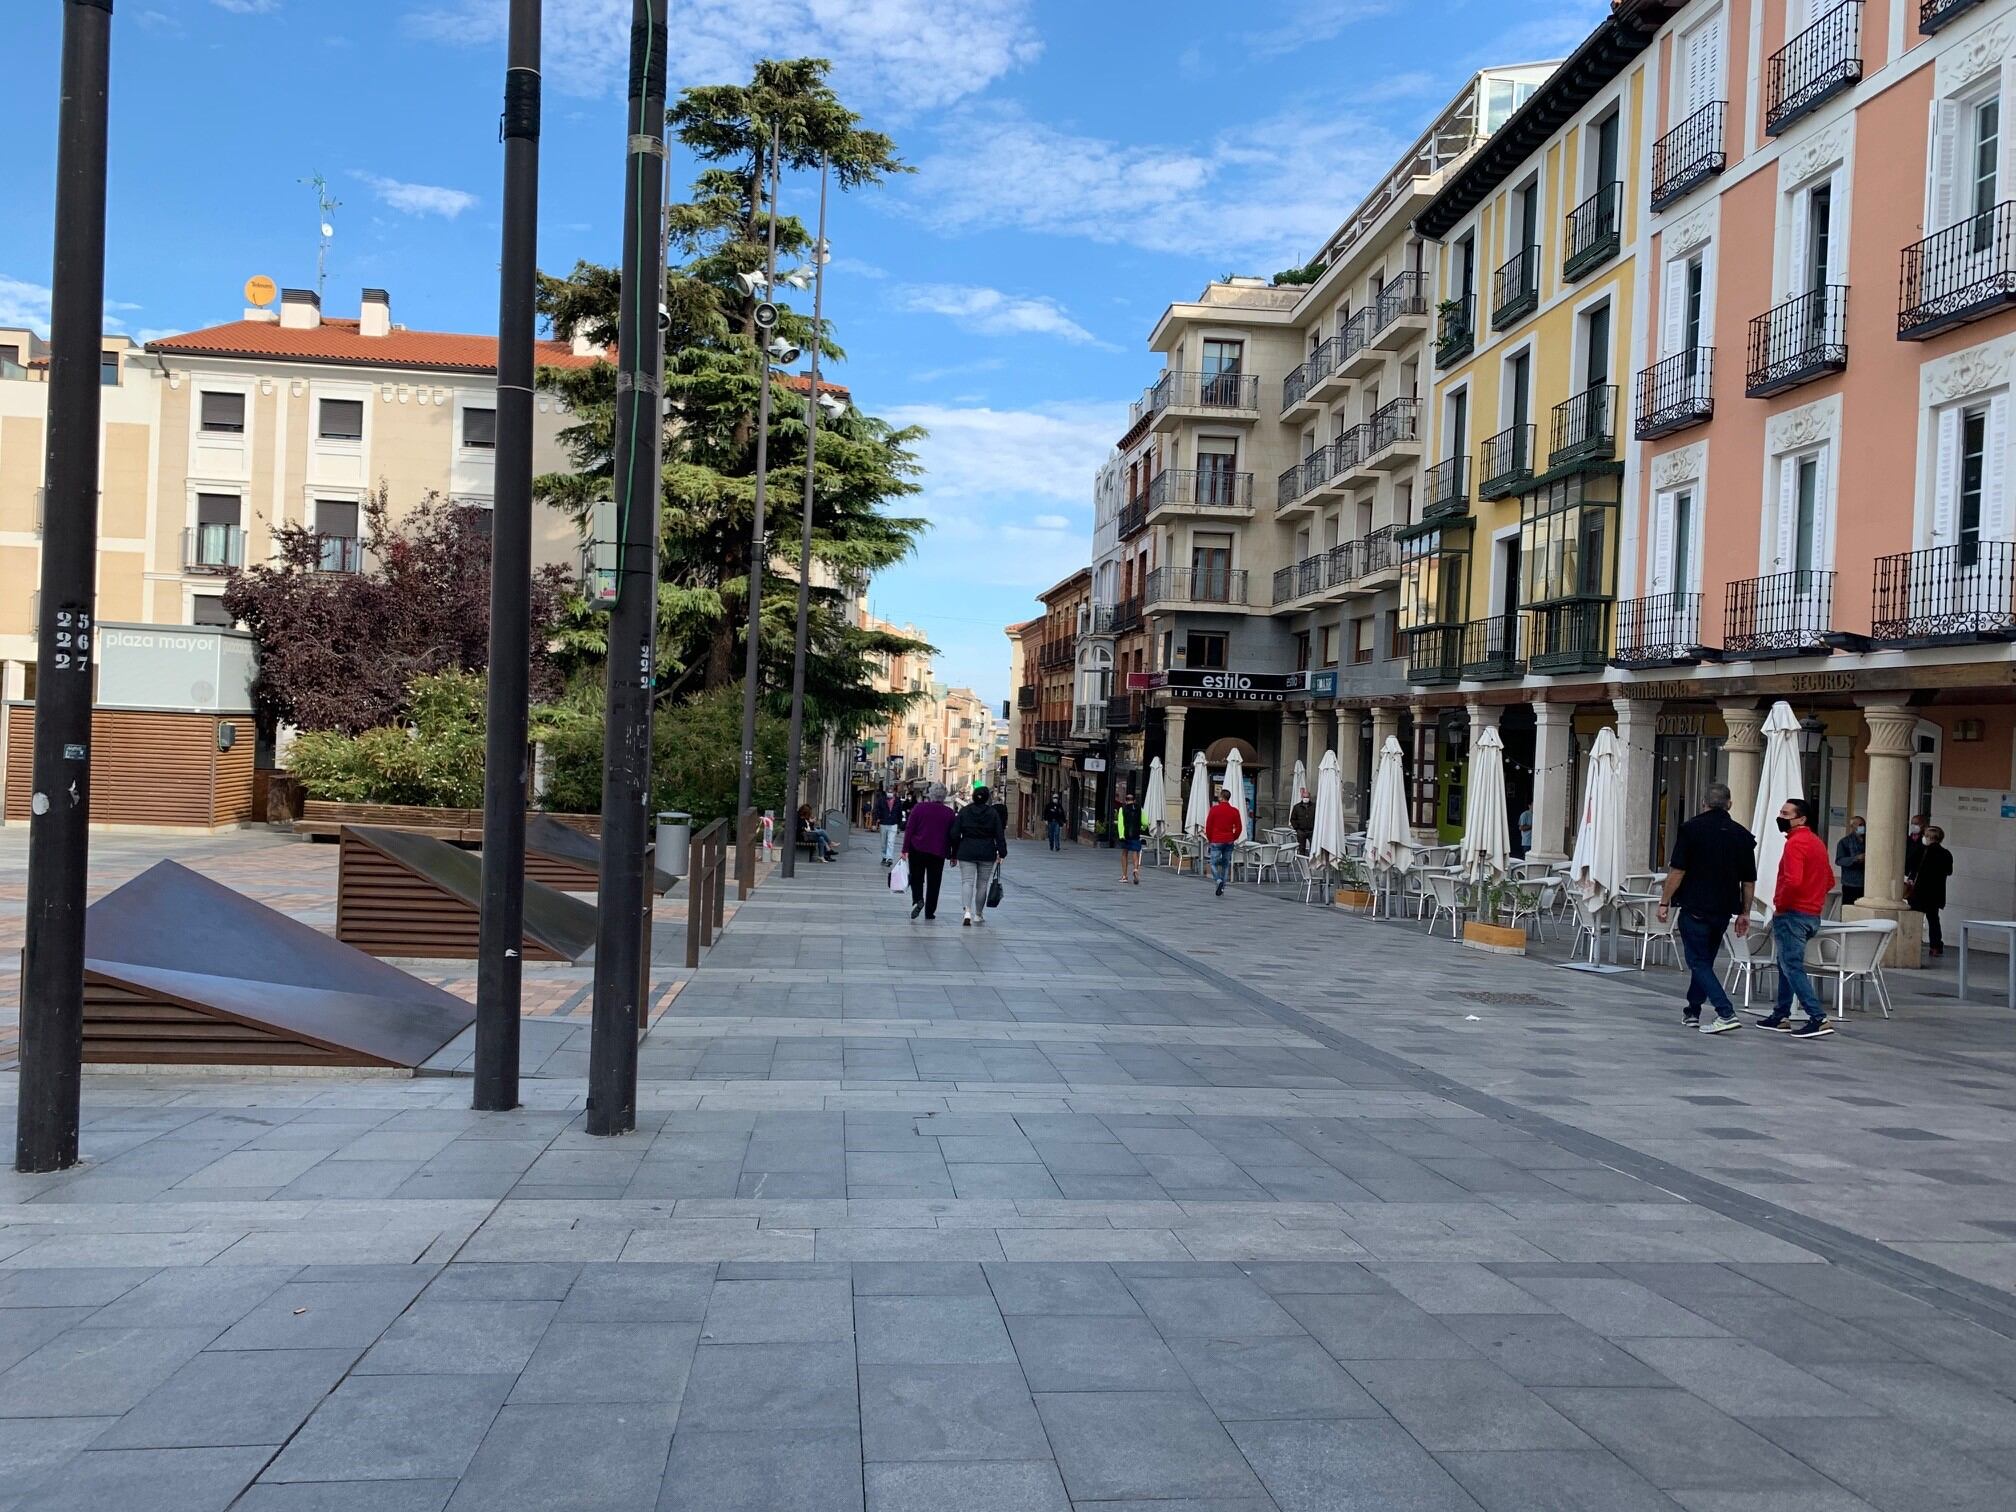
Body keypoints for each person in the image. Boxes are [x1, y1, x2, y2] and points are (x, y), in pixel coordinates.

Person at [1656, 783, 1755, 1033]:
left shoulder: (1691, 829)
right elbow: (1748, 881)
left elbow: (1678, 870)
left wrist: (1664, 902)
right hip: (1724, 909)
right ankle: (1692, 1011)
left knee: (1697, 961)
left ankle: (1725, 1011)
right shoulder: (1742, 835)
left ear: (1704, 803)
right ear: (1729, 804)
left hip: (1695, 905)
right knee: (1704, 962)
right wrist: (1745, 912)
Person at [1761, 797, 1834, 1037]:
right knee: (1786, 964)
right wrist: (1815, 899)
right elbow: (1830, 880)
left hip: (1792, 913)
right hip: (1812, 913)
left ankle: (1817, 1016)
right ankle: (1781, 1014)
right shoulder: (1816, 843)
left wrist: (1780, 905)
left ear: (1801, 818)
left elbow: (1792, 881)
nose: (1781, 817)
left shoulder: (1795, 844)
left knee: (1791, 966)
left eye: (1786, 813)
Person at [949, 784, 1008, 925]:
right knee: (982, 885)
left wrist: (954, 852)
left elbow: (954, 833)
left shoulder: (964, 811)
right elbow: (999, 835)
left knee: (967, 882)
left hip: (967, 851)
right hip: (987, 852)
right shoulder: (992, 813)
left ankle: (967, 911)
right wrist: (1002, 853)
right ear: (987, 798)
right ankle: (978, 914)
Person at [901, 783, 956, 922]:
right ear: (944, 796)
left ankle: (918, 899)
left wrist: (905, 849)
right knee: (934, 882)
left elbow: (909, 829)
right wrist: (954, 855)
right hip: (938, 852)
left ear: (930, 794)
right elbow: (953, 835)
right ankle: (930, 912)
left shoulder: (919, 808)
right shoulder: (949, 813)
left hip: (917, 849)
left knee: (916, 877)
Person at [1908, 824, 1954, 956]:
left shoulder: (1922, 851)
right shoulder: (1946, 853)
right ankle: (1936, 946)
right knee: (1933, 919)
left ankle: (1912, 943)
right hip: (1936, 892)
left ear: (1928, 837)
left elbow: (1911, 865)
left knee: (1915, 918)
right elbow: (1949, 871)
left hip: (1920, 891)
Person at [1204, 786, 1244, 897]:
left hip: (1216, 839)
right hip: (1229, 840)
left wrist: (1210, 839)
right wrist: (1233, 837)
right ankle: (1222, 888)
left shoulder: (1214, 809)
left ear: (1221, 797)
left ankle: (1218, 880)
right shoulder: (1234, 811)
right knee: (1226, 864)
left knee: (1213, 863)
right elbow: (1239, 827)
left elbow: (1208, 826)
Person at [1114, 788, 1146, 884]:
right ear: (1134, 800)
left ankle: (1124, 876)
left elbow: (1120, 824)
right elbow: (1145, 821)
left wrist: (1121, 835)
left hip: (1126, 835)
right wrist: (1143, 827)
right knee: (1135, 852)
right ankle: (1135, 869)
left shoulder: (1122, 809)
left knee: (1124, 854)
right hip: (1136, 834)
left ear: (1125, 800)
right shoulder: (1140, 808)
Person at [1835, 815, 1866, 907]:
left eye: (1864, 825)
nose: (1863, 827)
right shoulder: (1844, 842)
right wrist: (1856, 858)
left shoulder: (1869, 841)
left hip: (1866, 884)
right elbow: (1839, 860)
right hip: (1850, 884)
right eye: (1860, 825)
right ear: (1852, 827)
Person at [872, 786, 905, 869]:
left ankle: (889, 858)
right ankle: (884, 856)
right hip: (883, 823)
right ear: (886, 792)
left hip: (893, 824)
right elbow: (876, 811)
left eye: (891, 791)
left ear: (894, 792)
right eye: (888, 791)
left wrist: (899, 826)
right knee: (883, 843)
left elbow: (900, 813)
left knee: (891, 841)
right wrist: (874, 822)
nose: (890, 793)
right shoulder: (881, 800)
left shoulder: (897, 801)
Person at [1289, 788, 1315, 857]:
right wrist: (1297, 828)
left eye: (1307, 797)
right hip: (1301, 831)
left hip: (1311, 830)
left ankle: (1312, 860)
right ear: (1302, 797)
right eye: (1304, 797)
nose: (1306, 798)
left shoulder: (1314, 806)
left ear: (1310, 797)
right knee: (1301, 848)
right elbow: (1292, 819)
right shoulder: (1297, 807)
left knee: (1313, 848)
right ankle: (1302, 861)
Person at [1905, 813, 1929, 879]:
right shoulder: (1907, 838)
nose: (1913, 826)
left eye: (1916, 824)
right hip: (1906, 871)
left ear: (1923, 825)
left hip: (1916, 873)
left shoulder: (1925, 840)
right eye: (1912, 823)